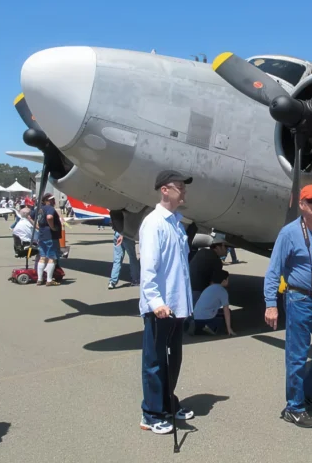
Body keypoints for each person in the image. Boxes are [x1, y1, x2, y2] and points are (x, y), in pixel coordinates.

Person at [263, 184, 312, 429]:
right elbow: (273, 271)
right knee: (297, 355)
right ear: (302, 205)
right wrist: (271, 305)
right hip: (300, 300)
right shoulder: (289, 233)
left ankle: (308, 393)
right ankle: (293, 407)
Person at [138, 170, 196, 435]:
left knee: (173, 360)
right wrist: (156, 302)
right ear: (164, 190)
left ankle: (167, 404)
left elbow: (180, 267)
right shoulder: (154, 223)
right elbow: (148, 268)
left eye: (184, 187)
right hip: (160, 308)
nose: (183, 191)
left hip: (178, 305)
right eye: (179, 187)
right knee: (155, 361)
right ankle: (150, 413)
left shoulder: (176, 223)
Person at [188, 269, 235, 336]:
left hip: (196, 317)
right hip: (207, 318)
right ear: (224, 281)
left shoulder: (208, 288)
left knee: (213, 312)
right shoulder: (223, 291)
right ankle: (212, 327)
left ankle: (199, 328)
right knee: (228, 313)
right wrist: (229, 328)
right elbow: (226, 310)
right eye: (227, 279)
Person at [189, 232, 228, 304]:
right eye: (226, 247)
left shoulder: (202, 251)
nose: (227, 250)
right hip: (199, 291)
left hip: (188, 287)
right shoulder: (216, 260)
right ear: (219, 247)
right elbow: (213, 283)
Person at [36, 193, 62, 286]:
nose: (54, 201)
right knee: (52, 258)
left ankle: (39, 279)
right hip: (50, 236)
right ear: (48, 201)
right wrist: (52, 227)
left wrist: (38, 227)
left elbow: (30, 216)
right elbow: (49, 217)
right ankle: (49, 280)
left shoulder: (40, 209)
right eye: (52, 200)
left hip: (42, 235)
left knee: (42, 257)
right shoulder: (50, 208)